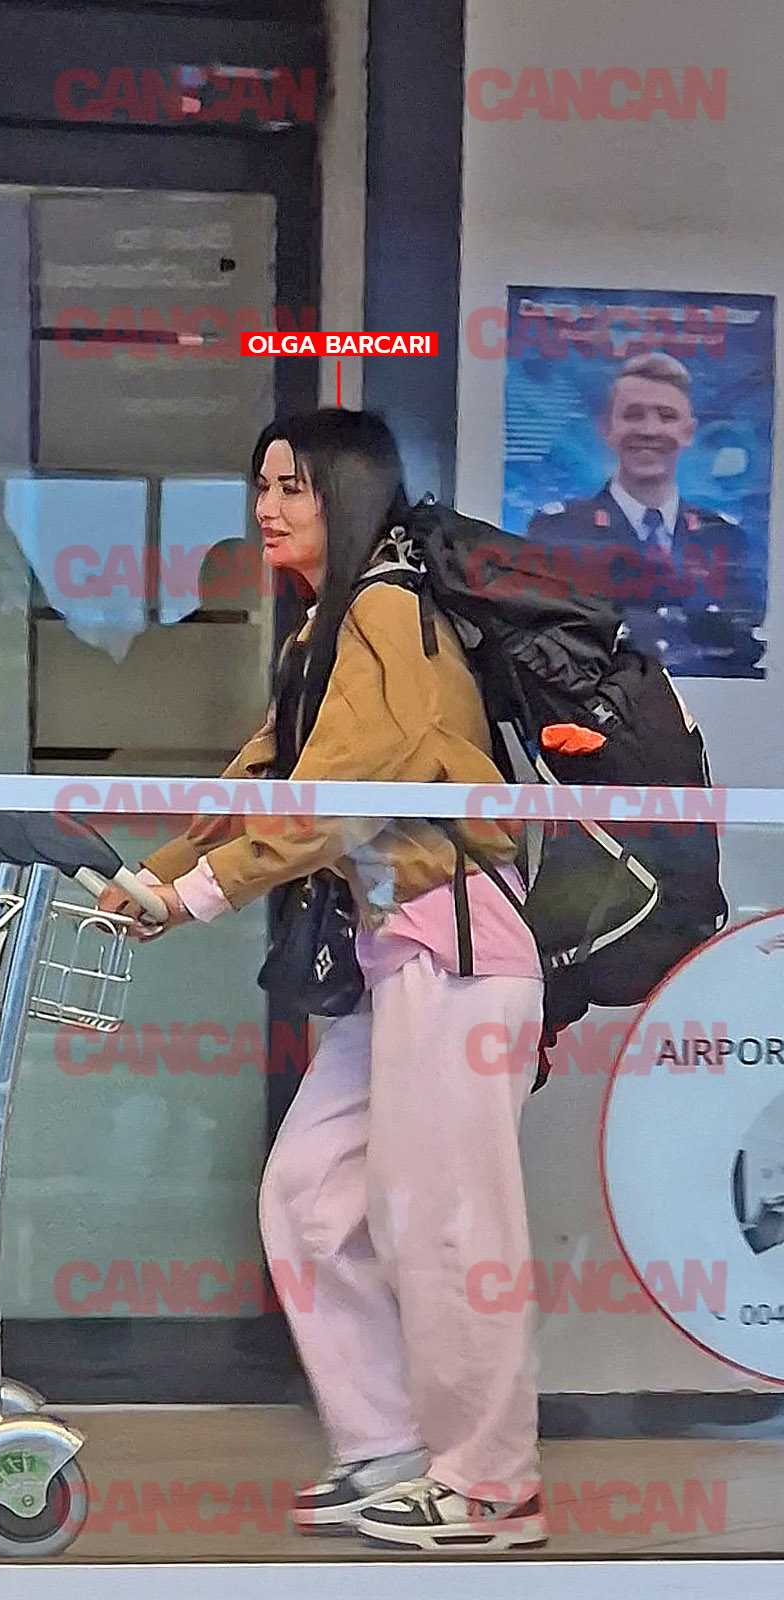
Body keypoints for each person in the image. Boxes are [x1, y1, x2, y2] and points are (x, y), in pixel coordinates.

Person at [98, 408, 548, 1553]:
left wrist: (198, 893)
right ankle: (388, 1447)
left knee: (448, 1226)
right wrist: (154, 874)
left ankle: (490, 1486)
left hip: (457, 951)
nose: (267, 507)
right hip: (399, 962)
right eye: (261, 485)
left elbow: (343, 793)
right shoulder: (327, 626)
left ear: (345, 495)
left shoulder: (388, 610)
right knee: (307, 1197)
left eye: (292, 486)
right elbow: (269, 773)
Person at [525, 351, 763, 677]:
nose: (650, 430)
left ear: (688, 432)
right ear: (607, 428)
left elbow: (740, 652)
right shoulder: (557, 532)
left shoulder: (725, 538)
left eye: (667, 416)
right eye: (634, 415)